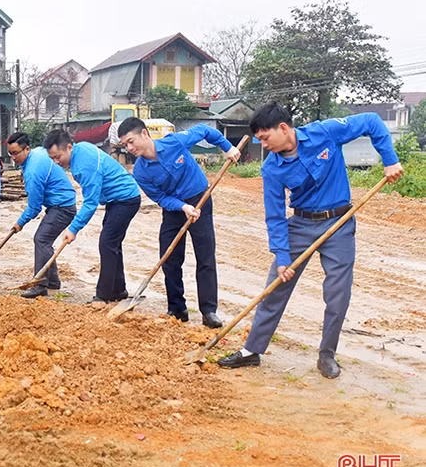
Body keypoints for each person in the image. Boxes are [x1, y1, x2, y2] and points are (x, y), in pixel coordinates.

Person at [218, 102, 404, 378]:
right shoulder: (272, 168)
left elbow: (372, 121)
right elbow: (275, 215)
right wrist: (282, 258)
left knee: (338, 294)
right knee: (276, 287)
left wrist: (390, 159)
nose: (264, 145)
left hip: (339, 224)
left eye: (265, 138)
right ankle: (252, 351)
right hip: (301, 225)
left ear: (283, 128)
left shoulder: (324, 133)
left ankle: (327, 355)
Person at [117, 117, 240, 327]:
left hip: (199, 200)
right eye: (125, 145)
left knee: (206, 256)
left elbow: (203, 130)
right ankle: (177, 309)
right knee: (170, 258)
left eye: (130, 141)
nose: (129, 148)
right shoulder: (140, 171)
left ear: (144, 134)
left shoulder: (175, 142)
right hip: (174, 209)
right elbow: (160, 198)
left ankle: (209, 311)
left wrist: (227, 147)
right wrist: (182, 207)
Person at [44, 129, 141, 303]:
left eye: (58, 157)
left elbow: (90, 202)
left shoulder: (84, 165)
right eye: (52, 158)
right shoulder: (81, 149)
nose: (56, 162)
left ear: (69, 147)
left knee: (107, 243)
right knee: (112, 244)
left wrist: (73, 228)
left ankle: (103, 296)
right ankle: (118, 290)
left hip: (126, 199)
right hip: (115, 200)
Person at [8, 132, 77, 298]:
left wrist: (20, 223)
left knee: (42, 239)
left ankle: (40, 285)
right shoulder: (38, 153)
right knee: (44, 240)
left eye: (16, 153)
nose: (13, 157)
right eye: (10, 153)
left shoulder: (33, 171)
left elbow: (34, 207)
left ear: (27, 149)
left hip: (63, 206)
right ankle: (53, 281)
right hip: (58, 205)